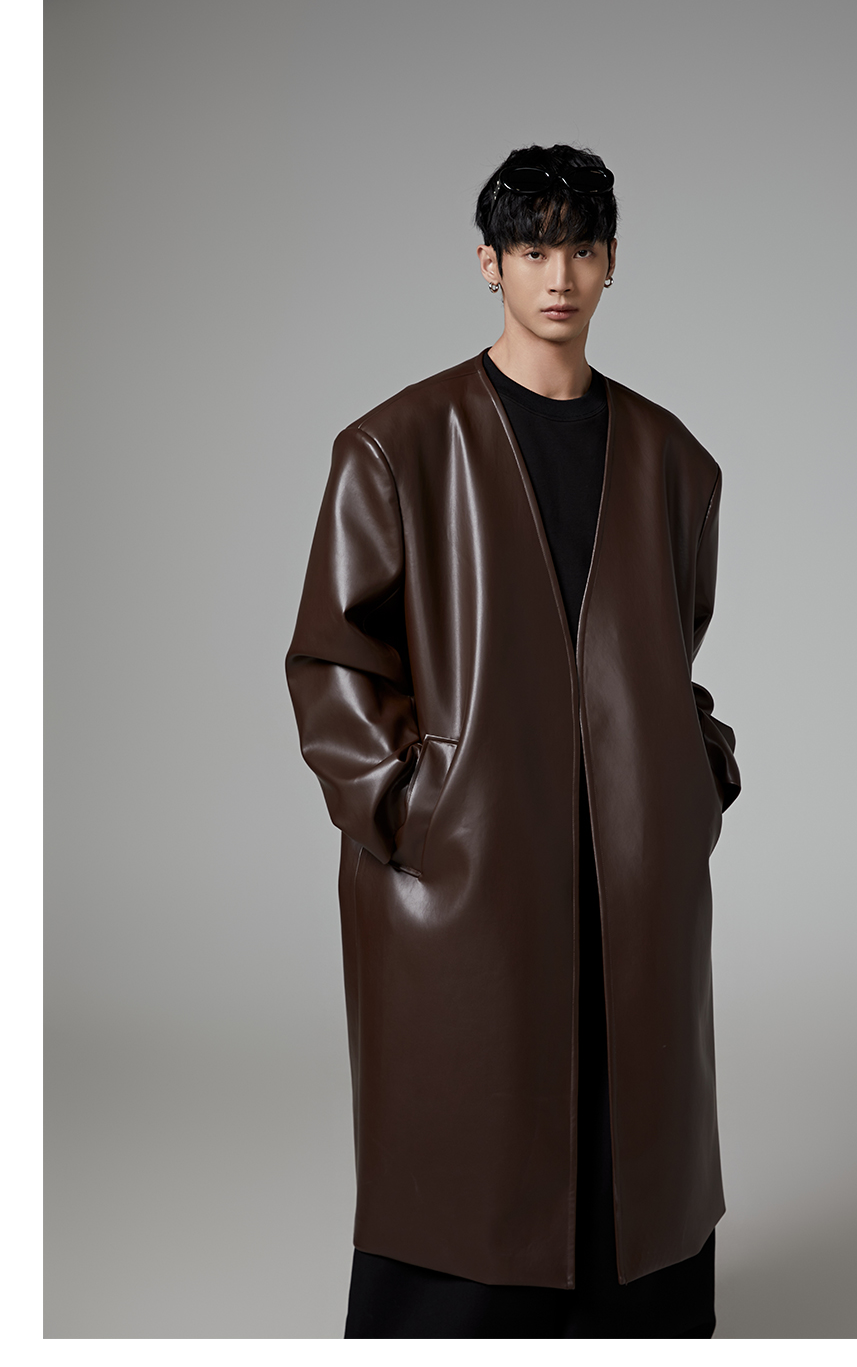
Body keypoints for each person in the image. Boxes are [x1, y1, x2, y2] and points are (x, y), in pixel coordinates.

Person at [285, 143, 741, 1337]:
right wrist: (414, 808)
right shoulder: (396, 447)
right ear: (488, 263)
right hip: (470, 862)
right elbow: (333, 660)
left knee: (631, 1109)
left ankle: (629, 1321)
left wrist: (694, 777)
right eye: (533, 249)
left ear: (611, 264)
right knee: (470, 1124)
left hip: (631, 858)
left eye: (581, 249)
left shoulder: (674, 462)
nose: (559, 276)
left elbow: (672, 652)